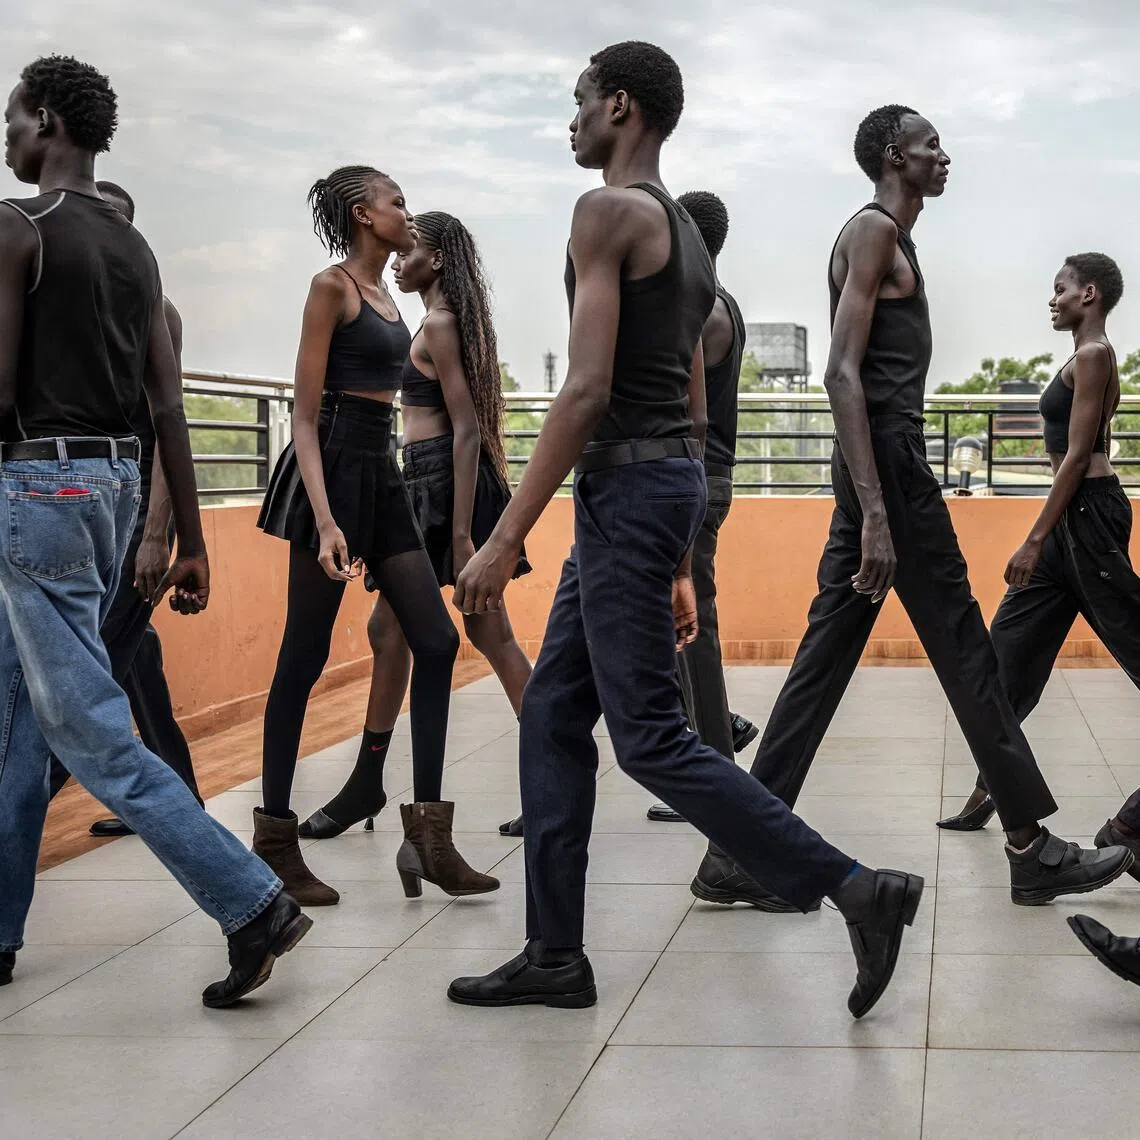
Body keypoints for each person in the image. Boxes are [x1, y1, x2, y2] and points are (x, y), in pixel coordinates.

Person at [445, 42, 927, 1021]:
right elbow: (695, 402)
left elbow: (584, 390)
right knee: (550, 715)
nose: (571, 121)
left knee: (654, 739)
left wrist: (501, 536)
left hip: (627, 490)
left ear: (621, 106)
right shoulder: (687, 235)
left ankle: (854, 889)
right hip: (655, 490)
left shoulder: (608, 211)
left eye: (580, 103)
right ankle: (553, 954)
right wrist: (680, 554)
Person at [689, 106, 1134, 913]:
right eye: (931, 144)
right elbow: (841, 375)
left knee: (824, 663)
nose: (944, 155)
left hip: (881, 467)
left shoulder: (896, 240)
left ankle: (737, 852)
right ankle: (1032, 848)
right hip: (886, 468)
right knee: (967, 647)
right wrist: (878, 512)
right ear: (895, 156)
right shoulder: (873, 235)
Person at [0, 54, 309, 1006]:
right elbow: (168, 409)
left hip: (36, 488)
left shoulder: (17, 226)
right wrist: (192, 539)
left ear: (48, 119)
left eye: (12, 118)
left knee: (86, 727)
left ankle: (250, 899)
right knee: (18, 719)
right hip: (115, 490)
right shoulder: (136, 250)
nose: (6, 135)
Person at [256, 169, 496, 904]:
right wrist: (327, 521)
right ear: (364, 216)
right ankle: (274, 845)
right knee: (303, 655)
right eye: (396, 202)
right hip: (327, 470)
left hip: (381, 472)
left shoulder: (394, 301)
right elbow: (301, 416)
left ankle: (428, 839)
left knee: (437, 640)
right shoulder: (331, 288)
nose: (406, 213)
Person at [299, 210, 532, 841]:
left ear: (439, 261)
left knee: (473, 637)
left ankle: (366, 788)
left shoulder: (437, 323)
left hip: (441, 486)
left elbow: (465, 430)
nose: (400, 259)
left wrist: (460, 536)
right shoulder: (441, 322)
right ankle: (368, 786)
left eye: (412, 252)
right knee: (436, 633)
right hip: (436, 481)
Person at [939, 253, 1140, 860]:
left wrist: (1033, 537)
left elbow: (1078, 458)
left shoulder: (1095, 354)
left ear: (1091, 293)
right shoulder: (1083, 356)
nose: (1051, 299)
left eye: (1060, 290)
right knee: (1004, 660)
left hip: (1086, 519)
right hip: (1068, 526)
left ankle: (1131, 827)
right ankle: (992, 787)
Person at [47, 179, 203, 838]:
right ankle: (183, 797)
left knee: (88, 673)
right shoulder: (67, 310)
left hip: (135, 515)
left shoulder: (153, 310)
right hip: (84, 512)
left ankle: (16, 811)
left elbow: (171, 428)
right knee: (135, 660)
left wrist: (158, 537)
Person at [647, 189, 747, 825]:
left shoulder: (700, 309)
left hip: (696, 477)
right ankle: (714, 738)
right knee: (681, 623)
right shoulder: (723, 304)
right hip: (708, 476)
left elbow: (687, 412)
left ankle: (713, 767)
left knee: (692, 625)